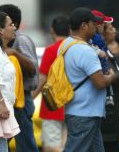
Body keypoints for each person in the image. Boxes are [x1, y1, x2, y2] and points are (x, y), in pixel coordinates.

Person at [62, 7, 117, 152]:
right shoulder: (85, 50)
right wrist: (114, 76)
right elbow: (100, 83)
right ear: (84, 26)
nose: (98, 27)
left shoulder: (67, 44)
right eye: (94, 23)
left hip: (81, 111)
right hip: (84, 114)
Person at [0, 4, 39, 152]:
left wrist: (15, 53)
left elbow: (32, 69)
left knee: (25, 143)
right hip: (12, 100)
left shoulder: (21, 40)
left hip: (21, 101)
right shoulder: (2, 45)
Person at [31, 16, 70, 152]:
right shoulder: (77, 49)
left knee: (51, 145)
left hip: (52, 105)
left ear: (52, 30)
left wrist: (30, 99)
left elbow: (42, 79)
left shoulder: (51, 50)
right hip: (75, 104)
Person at [98, 14, 119, 152]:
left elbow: (114, 78)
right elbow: (106, 78)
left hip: (114, 117)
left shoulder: (109, 54)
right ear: (102, 32)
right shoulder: (100, 54)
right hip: (106, 116)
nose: (114, 31)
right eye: (111, 28)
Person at [0, 12, 20, 152]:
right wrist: (1, 103)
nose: (14, 27)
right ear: (0, 29)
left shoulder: (1, 51)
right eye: (10, 24)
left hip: (1, 111)